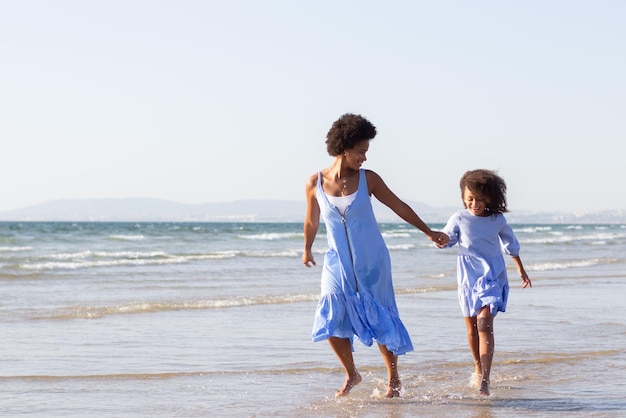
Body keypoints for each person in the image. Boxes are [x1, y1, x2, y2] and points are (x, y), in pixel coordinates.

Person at [302, 113, 448, 398]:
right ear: (344, 148)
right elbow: (311, 221)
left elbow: (399, 206)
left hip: (373, 262)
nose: (364, 158)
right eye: (361, 151)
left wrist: (428, 232)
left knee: (380, 316)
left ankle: (393, 379)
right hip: (337, 263)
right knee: (331, 317)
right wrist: (307, 247)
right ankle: (352, 373)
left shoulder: (369, 180)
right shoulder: (315, 183)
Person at [435, 169, 532, 396]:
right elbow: (449, 237)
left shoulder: (497, 219)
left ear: (489, 197)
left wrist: (521, 270)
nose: (474, 203)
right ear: (463, 198)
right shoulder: (459, 217)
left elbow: (510, 244)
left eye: (479, 199)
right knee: (471, 328)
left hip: (492, 274)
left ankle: (485, 380)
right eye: (470, 199)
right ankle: (478, 367)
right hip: (468, 277)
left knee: (484, 322)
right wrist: (440, 240)